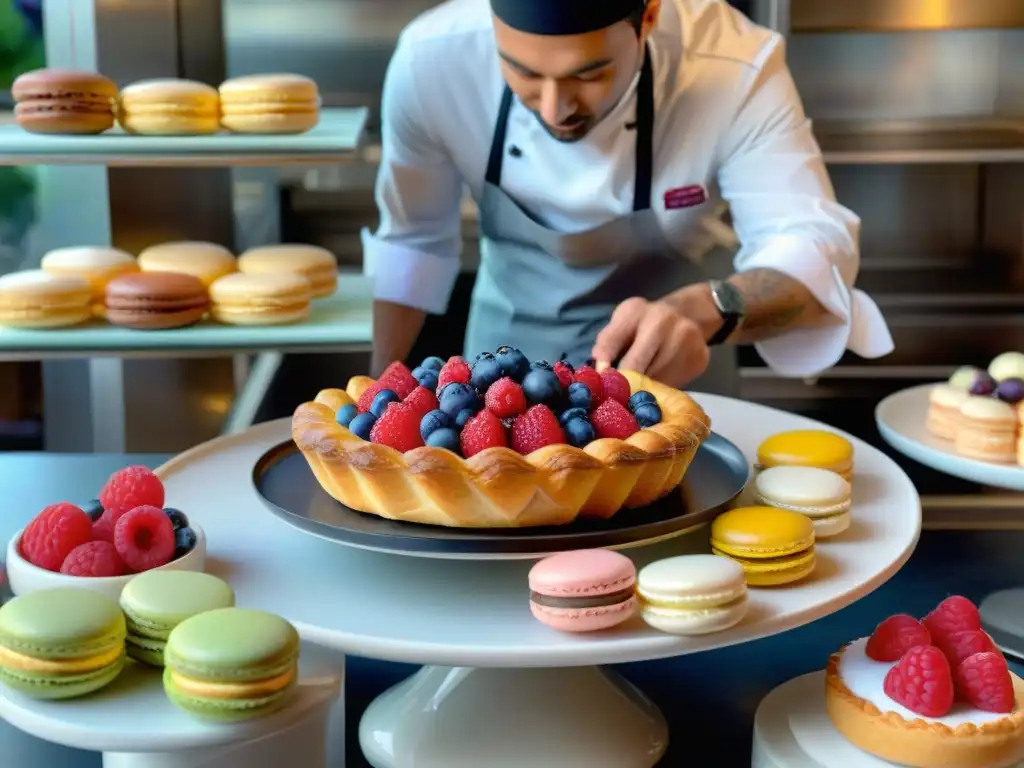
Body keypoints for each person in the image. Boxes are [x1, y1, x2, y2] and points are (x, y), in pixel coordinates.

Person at [363, 0, 893, 393]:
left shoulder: (735, 64)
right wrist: (378, 395)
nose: (553, 109)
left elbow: (809, 243)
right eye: (522, 71)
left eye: (588, 73)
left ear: (649, 17)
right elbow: (414, 244)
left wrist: (707, 308)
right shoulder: (430, 61)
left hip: (679, 376)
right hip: (499, 376)